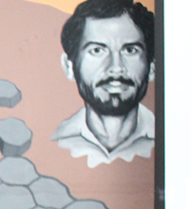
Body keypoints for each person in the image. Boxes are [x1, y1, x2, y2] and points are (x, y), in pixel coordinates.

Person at [53, 0, 155, 168]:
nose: (116, 68)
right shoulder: (56, 140)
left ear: (152, 67)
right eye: (97, 50)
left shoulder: (173, 139)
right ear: (69, 67)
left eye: (130, 50)